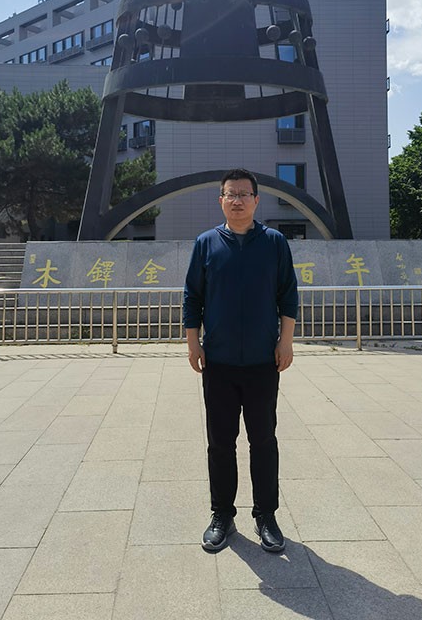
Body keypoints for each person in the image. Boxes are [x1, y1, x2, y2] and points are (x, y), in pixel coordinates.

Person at [184, 168, 298, 553]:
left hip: (263, 362)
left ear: (256, 200)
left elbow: (288, 294)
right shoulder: (206, 243)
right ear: (220, 200)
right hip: (218, 361)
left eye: (244, 194)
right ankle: (222, 515)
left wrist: (286, 341)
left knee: (263, 440)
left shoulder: (274, 243)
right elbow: (192, 297)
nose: (237, 200)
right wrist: (193, 344)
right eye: (230, 194)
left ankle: (266, 515)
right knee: (220, 443)